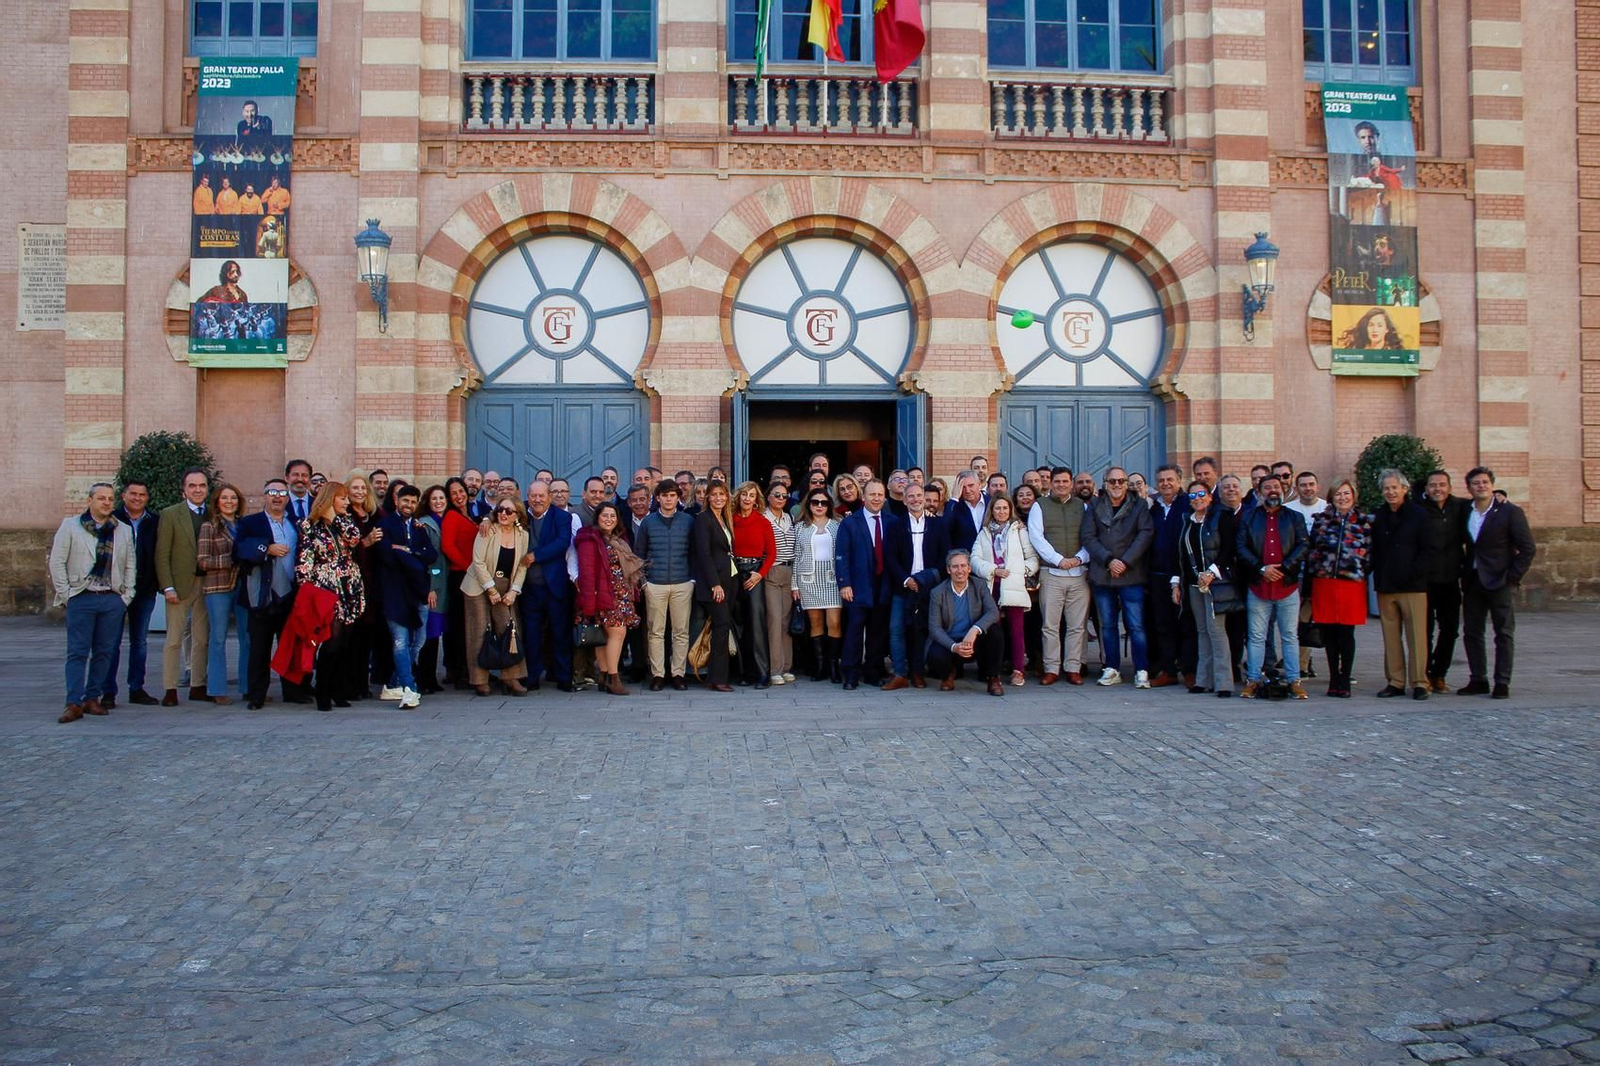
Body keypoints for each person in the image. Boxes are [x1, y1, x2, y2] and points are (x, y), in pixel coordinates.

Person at [50, 483, 136, 723]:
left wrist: (125, 596)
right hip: (82, 596)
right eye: (101, 498)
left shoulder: (123, 530)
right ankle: (73, 702)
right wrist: (67, 594)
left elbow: (130, 564)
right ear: (90, 501)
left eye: (110, 499)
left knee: (105, 651)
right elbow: (57, 562)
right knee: (77, 651)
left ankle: (92, 698)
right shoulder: (71, 526)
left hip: (111, 598)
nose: (107, 503)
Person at [1458, 466, 1536, 699]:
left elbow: (1528, 548)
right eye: (1475, 483)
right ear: (1469, 488)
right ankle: (1478, 679)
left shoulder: (1510, 511)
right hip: (1472, 580)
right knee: (1472, 631)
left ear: (1492, 485)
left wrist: (1512, 576)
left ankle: (1502, 681)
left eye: (1484, 482)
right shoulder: (1465, 511)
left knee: (1503, 632)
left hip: (1499, 580)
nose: (1480, 486)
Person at [1235, 475, 1309, 700]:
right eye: (1267, 487)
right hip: (1259, 586)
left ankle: (1294, 680)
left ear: (1283, 490)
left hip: (1286, 585)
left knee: (1289, 635)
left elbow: (1303, 545)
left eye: (1276, 487)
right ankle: (1254, 680)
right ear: (1259, 492)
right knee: (1256, 637)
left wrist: (1284, 568)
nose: (1272, 491)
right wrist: (1261, 568)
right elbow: (1241, 546)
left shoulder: (1294, 518)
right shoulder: (1249, 517)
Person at [295, 482, 366, 712]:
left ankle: (339, 689)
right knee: (331, 640)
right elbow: (305, 558)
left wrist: (335, 518)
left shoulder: (346, 522)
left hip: (349, 584)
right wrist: (304, 587)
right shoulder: (309, 526)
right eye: (342, 498)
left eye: (346, 498)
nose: (347, 502)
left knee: (346, 639)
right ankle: (323, 689)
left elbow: (355, 539)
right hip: (325, 586)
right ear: (329, 499)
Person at [1082, 466, 1154, 688]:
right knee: (1108, 625)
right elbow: (1088, 536)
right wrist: (1108, 560)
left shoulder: (1139, 506)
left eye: (1121, 481)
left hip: (1131, 574)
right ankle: (1112, 668)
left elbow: (1145, 534)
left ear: (1126, 483)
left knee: (1136, 625)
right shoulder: (1095, 505)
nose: (1116, 485)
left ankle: (1141, 669)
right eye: (1112, 481)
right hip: (1103, 575)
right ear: (1104, 483)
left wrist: (1125, 561)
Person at [233, 477, 302, 709]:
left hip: (290, 594)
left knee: (289, 646)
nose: (277, 497)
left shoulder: (296, 522)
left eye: (282, 493)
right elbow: (239, 551)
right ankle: (256, 695)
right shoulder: (250, 523)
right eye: (272, 492)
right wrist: (266, 548)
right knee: (259, 648)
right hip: (262, 595)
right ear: (265, 495)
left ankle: (292, 692)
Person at [1305, 479, 1372, 698]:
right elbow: (1312, 550)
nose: (1342, 498)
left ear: (1353, 495)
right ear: (1332, 497)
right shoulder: (1322, 520)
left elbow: (1371, 552)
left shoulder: (1364, 521)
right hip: (1324, 582)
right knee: (1329, 634)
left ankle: (1345, 678)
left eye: (1346, 494)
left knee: (1346, 633)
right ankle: (1333, 677)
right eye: (1338, 494)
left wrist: (1360, 569)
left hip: (1350, 583)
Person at [1369, 469, 1431, 700]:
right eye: (1386, 488)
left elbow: (1427, 549)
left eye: (1395, 487)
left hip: (1413, 585)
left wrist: (1415, 573)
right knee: (1390, 637)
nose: (1390, 492)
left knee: (1417, 636)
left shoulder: (1419, 514)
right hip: (1386, 584)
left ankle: (1419, 682)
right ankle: (1395, 681)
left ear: (1404, 489)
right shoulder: (1378, 515)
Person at [375, 485, 437, 709]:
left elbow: (431, 555)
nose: (408, 505)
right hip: (394, 592)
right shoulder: (384, 524)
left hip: (418, 592)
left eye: (413, 501)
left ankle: (393, 684)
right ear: (397, 500)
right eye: (405, 501)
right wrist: (412, 557)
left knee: (418, 641)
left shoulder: (419, 528)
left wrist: (408, 551)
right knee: (400, 641)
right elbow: (387, 556)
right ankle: (409, 689)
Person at [1027, 465, 1091, 686]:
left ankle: (1073, 667)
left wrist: (1080, 558)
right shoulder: (1040, 506)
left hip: (1078, 574)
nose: (1061, 485)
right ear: (1051, 484)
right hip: (1051, 573)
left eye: (1065, 481)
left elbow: (1090, 536)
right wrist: (1058, 560)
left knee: (1077, 625)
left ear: (1071, 483)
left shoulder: (1082, 506)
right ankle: (1051, 668)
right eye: (1057, 482)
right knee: (1050, 625)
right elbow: (1036, 537)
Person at [1176, 478, 1239, 698]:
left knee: (1217, 631)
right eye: (1192, 496)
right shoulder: (1188, 522)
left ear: (1210, 497)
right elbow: (1181, 556)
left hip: (1217, 583)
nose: (1197, 499)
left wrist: (1211, 572)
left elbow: (1228, 549)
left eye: (1201, 494)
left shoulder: (1221, 518)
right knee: (1201, 631)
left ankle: (1224, 682)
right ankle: (1203, 679)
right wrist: (1177, 582)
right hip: (1194, 584)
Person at [155, 467, 213, 705]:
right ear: (184, 490)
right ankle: (170, 688)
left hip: (207, 585)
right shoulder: (170, 514)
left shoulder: (212, 513)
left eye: (201, 486)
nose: (197, 490)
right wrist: (167, 586)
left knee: (201, 638)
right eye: (192, 486)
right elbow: (162, 553)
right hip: (179, 586)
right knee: (174, 639)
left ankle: (197, 684)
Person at [835, 480, 900, 690]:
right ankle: (850, 674)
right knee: (854, 631)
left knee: (877, 632)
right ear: (864, 496)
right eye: (872, 495)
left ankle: (872, 673)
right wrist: (844, 584)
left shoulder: (892, 521)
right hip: (857, 585)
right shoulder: (850, 523)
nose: (877, 498)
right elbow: (842, 556)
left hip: (884, 585)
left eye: (880, 495)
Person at [574, 502, 644, 695]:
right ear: (597, 517)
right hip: (602, 593)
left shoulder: (618, 539)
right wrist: (589, 600)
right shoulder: (590, 539)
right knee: (616, 634)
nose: (609, 519)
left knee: (607, 636)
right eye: (605, 516)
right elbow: (587, 572)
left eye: (612, 516)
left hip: (620, 593)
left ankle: (604, 676)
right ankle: (614, 678)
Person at [461, 496, 529, 697]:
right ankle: (479, 679)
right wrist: (490, 590)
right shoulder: (488, 530)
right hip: (478, 585)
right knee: (479, 630)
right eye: (501, 509)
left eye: (509, 511)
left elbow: (522, 566)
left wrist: (514, 591)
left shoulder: (523, 535)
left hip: (505, 585)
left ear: (518, 514)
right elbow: (478, 561)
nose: (503, 514)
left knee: (509, 628)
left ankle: (512, 677)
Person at [883, 481, 948, 689]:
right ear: (904, 500)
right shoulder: (895, 525)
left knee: (922, 631)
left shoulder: (937, 524)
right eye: (910, 496)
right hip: (902, 586)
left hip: (929, 587)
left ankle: (918, 672)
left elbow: (944, 555)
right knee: (896, 629)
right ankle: (900, 673)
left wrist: (927, 579)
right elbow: (890, 556)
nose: (915, 500)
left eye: (919, 496)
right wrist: (906, 579)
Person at [970, 493, 1038, 687]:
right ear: (992, 510)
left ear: (1010, 510)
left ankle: (1018, 670)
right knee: (993, 630)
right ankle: (993, 670)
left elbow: (1032, 557)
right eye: (998, 508)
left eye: (1005, 508)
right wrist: (993, 570)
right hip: (992, 586)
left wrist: (1021, 572)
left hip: (1013, 585)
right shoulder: (984, 532)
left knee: (1017, 630)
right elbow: (975, 559)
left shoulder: (1019, 531)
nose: (1001, 512)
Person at [634, 479, 696, 690]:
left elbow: (694, 552)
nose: (668, 499)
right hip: (655, 584)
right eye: (664, 495)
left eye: (672, 495)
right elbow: (639, 555)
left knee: (681, 631)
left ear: (678, 498)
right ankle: (658, 674)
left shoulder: (688, 521)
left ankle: (678, 673)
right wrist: (644, 583)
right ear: (657, 498)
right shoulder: (648, 523)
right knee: (656, 631)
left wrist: (692, 580)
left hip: (682, 582)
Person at [197, 482, 251, 705]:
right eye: (225, 498)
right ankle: (217, 688)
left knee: (246, 638)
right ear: (217, 502)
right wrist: (231, 559)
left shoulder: (244, 525)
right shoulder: (209, 526)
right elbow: (202, 561)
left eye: (234, 498)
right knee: (218, 638)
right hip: (218, 587)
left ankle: (248, 686)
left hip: (242, 585)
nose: (230, 502)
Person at [519, 480, 575, 691]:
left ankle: (563, 677)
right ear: (528, 495)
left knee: (560, 634)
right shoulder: (520, 513)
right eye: (533, 496)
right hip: (528, 588)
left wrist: (535, 555)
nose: (537, 500)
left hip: (554, 586)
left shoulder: (562, 517)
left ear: (550, 497)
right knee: (531, 635)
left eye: (542, 496)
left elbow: (562, 543)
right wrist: (487, 518)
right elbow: (498, 512)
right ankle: (532, 676)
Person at [107, 480, 160, 707]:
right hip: (116, 590)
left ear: (147, 498)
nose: (137, 498)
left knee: (139, 641)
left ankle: (136, 687)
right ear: (124, 496)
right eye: (133, 494)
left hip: (145, 588)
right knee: (111, 641)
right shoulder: (112, 520)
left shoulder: (154, 521)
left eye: (142, 494)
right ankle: (107, 690)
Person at [926, 550, 1005, 697]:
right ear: (948, 570)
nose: (960, 571)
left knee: (995, 632)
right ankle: (947, 675)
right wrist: (954, 646)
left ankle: (994, 678)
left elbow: (993, 612)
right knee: (934, 653)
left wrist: (975, 630)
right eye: (955, 567)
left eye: (963, 566)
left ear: (969, 568)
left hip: (974, 640)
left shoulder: (980, 585)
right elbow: (934, 627)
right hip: (951, 642)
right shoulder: (937, 592)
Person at [1144, 465, 1192, 687]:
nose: (1165, 483)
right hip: (1156, 575)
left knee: (1186, 624)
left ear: (1179, 481)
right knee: (1162, 626)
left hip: (1182, 575)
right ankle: (1168, 670)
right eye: (1161, 480)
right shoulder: (1153, 508)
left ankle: (1190, 670)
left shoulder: (1187, 505)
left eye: (1170, 479)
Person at [1419, 469, 1467, 693]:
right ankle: (1425, 673)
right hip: (1426, 581)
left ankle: (1440, 673)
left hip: (1450, 579)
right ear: (1426, 489)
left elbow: (1484, 506)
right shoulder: (1419, 510)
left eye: (1442, 484)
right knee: (1424, 631)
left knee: (1450, 630)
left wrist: (1500, 494)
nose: (1437, 489)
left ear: (1449, 487)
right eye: (1433, 485)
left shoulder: (1461, 507)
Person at [342, 472, 387, 700]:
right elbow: (342, 550)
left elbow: (391, 523)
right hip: (352, 582)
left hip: (372, 581)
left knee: (366, 635)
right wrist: (365, 543)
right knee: (351, 636)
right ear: (347, 491)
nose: (359, 492)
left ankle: (362, 684)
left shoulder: (373, 514)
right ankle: (348, 685)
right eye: (355, 488)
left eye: (362, 488)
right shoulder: (344, 515)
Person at [792, 489, 844, 683]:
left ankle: (833, 666)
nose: (819, 506)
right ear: (809, 504)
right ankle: (820, 666)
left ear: (829, 505)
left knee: (834, 622)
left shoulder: (837, 526)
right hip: (808, 581)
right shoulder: (800, 527)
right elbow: (796, 557)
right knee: (815, 624)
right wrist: (794, 585)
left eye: (823, 502)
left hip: (832, 580)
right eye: (815, 502)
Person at [729, 481, 777, 687]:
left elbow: (772, 553)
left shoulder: (763, 522)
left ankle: (762, 673)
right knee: (738, 623)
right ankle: (744, 672)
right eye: (744, 495)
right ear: (738, 498)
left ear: (756, 500)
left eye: (751, 495)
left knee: (756, 624)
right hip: (734, 572)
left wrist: (759, 574)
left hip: (755, 572)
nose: (747, 499)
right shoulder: (730, 520)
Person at [691, 481, 737, 692]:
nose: (718, 498)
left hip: (730, 579)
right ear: (707, 498)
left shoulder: (724, 519)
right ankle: (717, 678)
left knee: (723, 626)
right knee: (721, 626)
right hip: (715, 583)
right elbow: (704, 554)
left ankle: (720, 676)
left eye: (722, 494)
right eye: (714, 494)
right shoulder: (703, 519)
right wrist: (714, 584)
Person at [1284, 469, 1329, 680]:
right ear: (1297, 487)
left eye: (1311, 484)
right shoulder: (1288, 510)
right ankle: (1301, 665)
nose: (1308, 488)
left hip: (1321, 575)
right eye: (1303, 485)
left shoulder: (1327, 509)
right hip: (1295, 574)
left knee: (1328, 621)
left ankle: (1336, 668)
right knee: (1299, 621)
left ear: (1317, 486)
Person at [409, 485, 451, 695]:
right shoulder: (424, 524)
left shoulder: (448, 520)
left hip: (445, 583)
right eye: (434, 498)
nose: (438, 501)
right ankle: (423, 678)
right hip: (433, 585)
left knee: (436, 634)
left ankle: (431, 677)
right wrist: (430, 587)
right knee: (429, 634)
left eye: (442, 497)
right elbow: (424, 558)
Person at [438, 477, 479, 689]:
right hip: (460, 576)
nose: (459, 496)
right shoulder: (452, 517)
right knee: (459, 627)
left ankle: (468, 669)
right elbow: (448, 546)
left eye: (461, 491)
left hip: (470, 574)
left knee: (468, 625)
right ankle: (460, 671)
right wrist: (468, 567)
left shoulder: (470, 514)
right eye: (453, 493)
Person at [762, 483, 798, 685]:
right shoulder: (763, 517)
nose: (781, 498)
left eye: (784, 496)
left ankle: (786, 667)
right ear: (768, 497)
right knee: (774, 620)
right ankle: (774, 668)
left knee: (785, 622)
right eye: (777, 495)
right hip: (772, 571)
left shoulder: (789, 518)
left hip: (789, 571)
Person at [945, 471, 985, 553]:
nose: (967, 490)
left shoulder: (991, 503)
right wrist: (955, 497)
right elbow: (944, 527)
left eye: (971, 485)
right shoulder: (954, 506)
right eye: (963, 487)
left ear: (979, 484)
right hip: (963, 560)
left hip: (987, 559)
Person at [1337, 307, 1405, 350]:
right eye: (1371, 325)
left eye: (1379, 325)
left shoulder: (1394, 352)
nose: (1374, 330)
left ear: (1386, 329)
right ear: (1366, 327)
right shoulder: (1359, 350)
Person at [284, 459, 315, 525]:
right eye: (295, 475)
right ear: (287, 478)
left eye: (304, 475)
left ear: (310, 480)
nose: (300, 479)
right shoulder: (280, 503)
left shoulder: (317, 504)